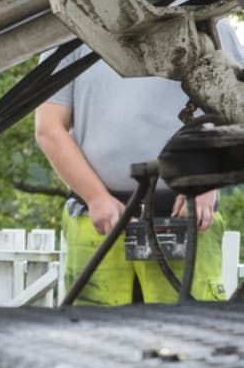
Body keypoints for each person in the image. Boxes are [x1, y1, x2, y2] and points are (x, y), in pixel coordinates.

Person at [34, 20, 244, 305]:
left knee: (188, 330)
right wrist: (96, 199)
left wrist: (206, 187)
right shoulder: (70, 30)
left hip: (187, 220)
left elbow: (237, 117)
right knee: (90, 331)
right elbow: (48, 129)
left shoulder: (210, 25)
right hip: (97, 220)